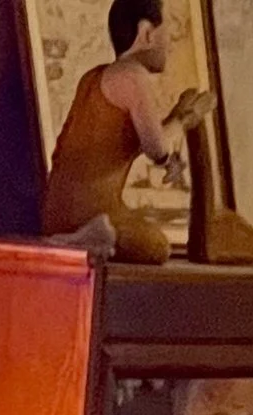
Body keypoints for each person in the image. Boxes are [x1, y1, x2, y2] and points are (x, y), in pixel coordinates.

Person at [41, 0, 211, 263]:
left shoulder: (94, 77)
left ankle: (83, 236)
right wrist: (182, 119)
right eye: (168, 33)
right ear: (146, 33)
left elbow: (134, 136)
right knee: (155, 245)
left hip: (55, 213)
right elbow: (156, 147)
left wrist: (175, 118)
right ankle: (89, 239)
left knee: (137, 226)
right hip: (89, 214)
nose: (171, 43)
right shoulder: (133, 76)